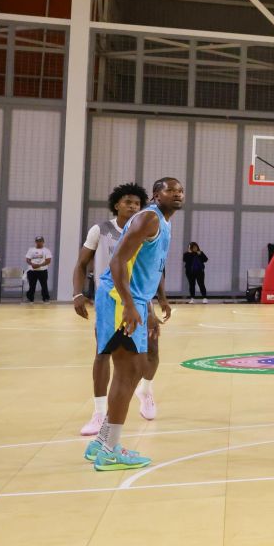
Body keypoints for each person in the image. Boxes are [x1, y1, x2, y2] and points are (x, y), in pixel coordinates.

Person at [83, 177, 183, 471]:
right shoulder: (150, 218)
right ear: (156, 195)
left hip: (134, 298)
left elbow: (145, 269)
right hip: (118, 297)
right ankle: (111, 449)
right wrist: (128, 303)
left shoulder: (163, 223)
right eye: (170, 190)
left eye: (180, 190)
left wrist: (148, 307)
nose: (176, 194)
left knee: (131, 370)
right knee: (129, 370)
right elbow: (117, 262)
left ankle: (102, 441)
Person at [72, 184, 163, 435]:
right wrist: (78, 293)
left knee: (151, 350)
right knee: (103, 353)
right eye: (128, 202)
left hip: (140, 298)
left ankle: (146, 391)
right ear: (116, 205)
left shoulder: (146, 227)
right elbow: (81, 264)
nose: (133, 206)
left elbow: (155, 267)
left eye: (137, 203)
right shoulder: (100, 230)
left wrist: (159, 299)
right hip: (110, 299)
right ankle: (99, 413)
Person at [25, 237, 52, 302]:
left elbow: (48, 260)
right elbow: (27, 259)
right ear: (35, 242)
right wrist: (32, 264)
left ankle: (45, 298)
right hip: (32, 270)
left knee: (44, 285)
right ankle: (30, 298)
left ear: (43, 242)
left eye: (40, 241)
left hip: (42, 271)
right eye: (37, 241)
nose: (39, 242)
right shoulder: (31, 250)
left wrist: (39, 265)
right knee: (32, 285)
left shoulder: (46, 250)